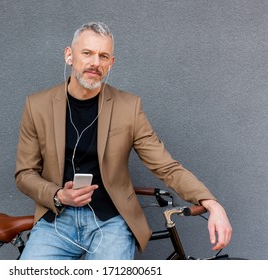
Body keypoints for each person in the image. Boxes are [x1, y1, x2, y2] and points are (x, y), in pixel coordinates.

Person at [15, 22, 232, 260]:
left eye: (103, 56)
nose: (95, 62)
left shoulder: (128, 107)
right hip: (55, 221)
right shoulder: (37, 105)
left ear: (111, 64)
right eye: (87, 53)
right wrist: (58, 195)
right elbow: (25, 174)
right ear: (69, 55)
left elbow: (166, 166)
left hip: (110, 222)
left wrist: (211, 203)